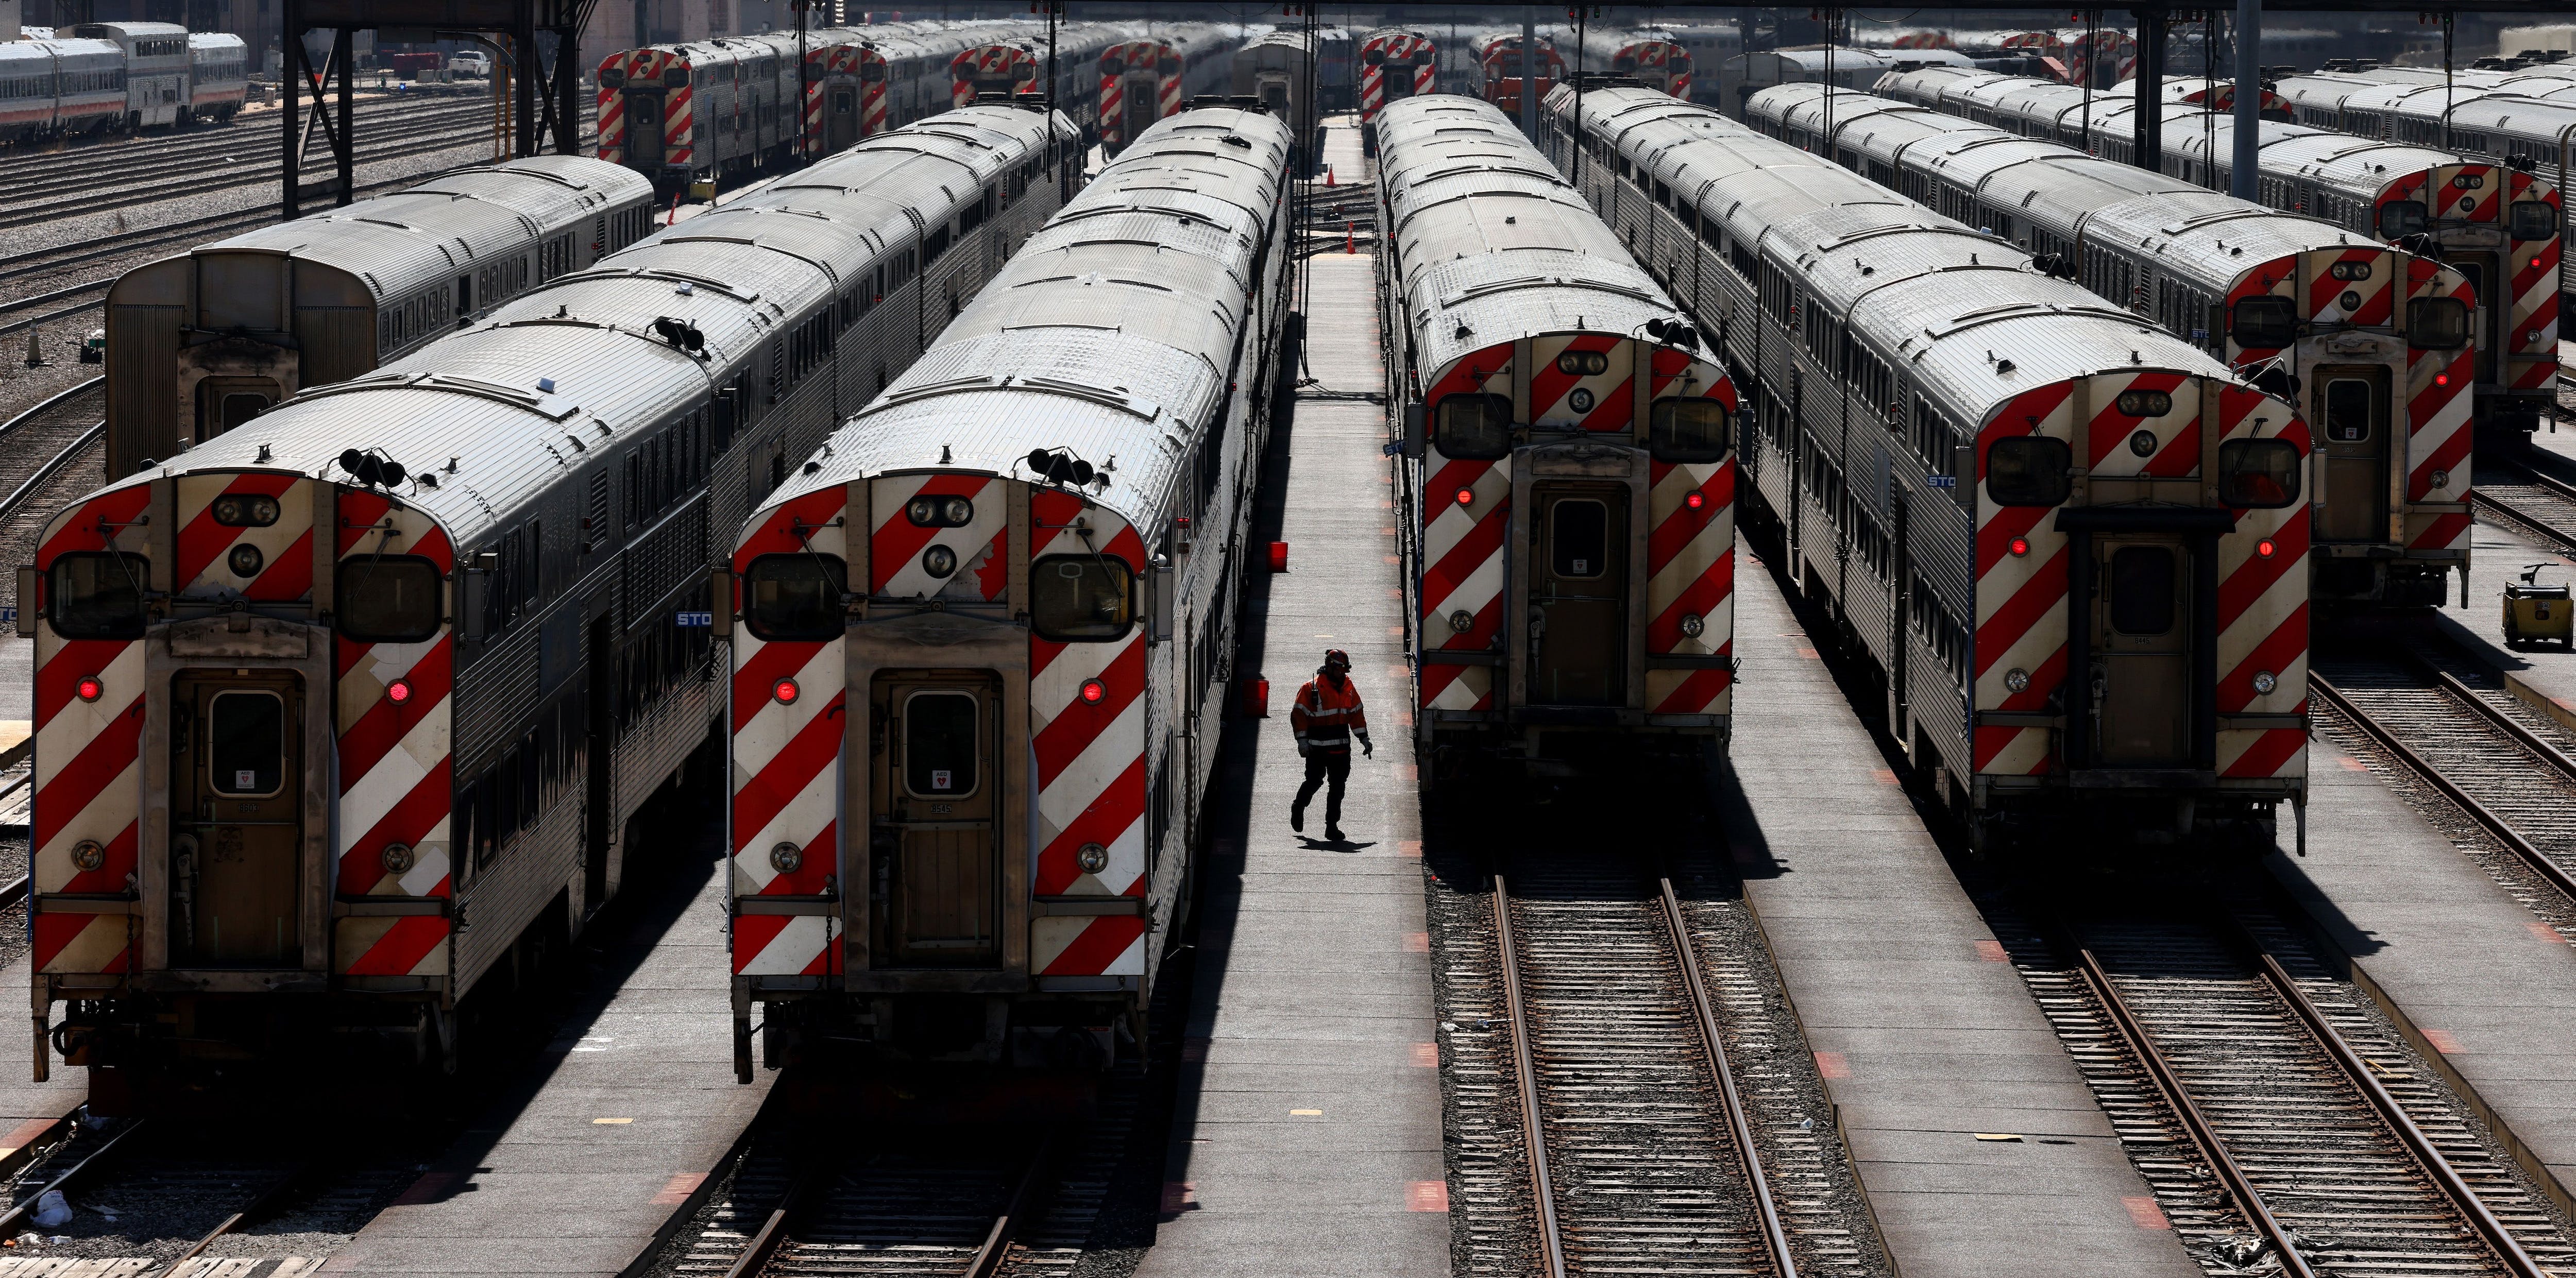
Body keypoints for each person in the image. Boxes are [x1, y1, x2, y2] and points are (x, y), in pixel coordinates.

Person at [1290, 648, 1370, 841]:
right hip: (1317, 748)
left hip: (1341, 749)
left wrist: (1364, 739)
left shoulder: (1349, 688)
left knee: (1338, 787)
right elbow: (1298, 715)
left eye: (1345, 671)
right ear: (1329, 668)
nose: (1342, 674)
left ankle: (1332, 827)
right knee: (1315, 781)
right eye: (1339, 670)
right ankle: (1299, 806)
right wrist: (1302, 742)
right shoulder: (1311, 689)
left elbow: (1356, 714)